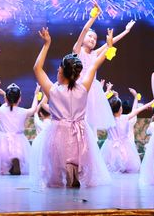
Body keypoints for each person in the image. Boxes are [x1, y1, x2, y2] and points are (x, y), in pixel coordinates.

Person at [31, 27, 112, 188]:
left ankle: (65, 172)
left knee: (57, 159)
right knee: (77, 155)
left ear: (61, 72)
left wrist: (46, 44)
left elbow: (37, 68)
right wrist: (109, 46)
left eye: (58, 69)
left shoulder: (53, 91)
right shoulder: (84, 89)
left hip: (59, 131)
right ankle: (74, 170)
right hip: (80, 131)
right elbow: (94, 66)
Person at [72, 1, 136, 130]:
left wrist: (126, 31)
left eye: (95, 39)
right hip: (79, 87)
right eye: (90, 37)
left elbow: (110, 43)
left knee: (90, 122)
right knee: (78, 118)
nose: (92, 39)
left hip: (92, 90)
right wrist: (94, 16)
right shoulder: (77, 51)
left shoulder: (94, 54)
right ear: (83, 39)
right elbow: (84, 30)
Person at [0, 83, 39, 175]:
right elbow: (33, 108)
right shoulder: (23, 111)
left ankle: (7, 168)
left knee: (1, 158)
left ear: (6, 99)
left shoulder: (1, 110)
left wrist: (5, 94)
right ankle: (15, 163)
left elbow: (7, 104)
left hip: (3, 140)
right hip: (19, 141)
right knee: (18, 154)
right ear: (20, 99)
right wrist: (36, 95)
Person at [100, 95, 153, 173]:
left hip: (111, 145)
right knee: (124, 158)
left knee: (112, 161)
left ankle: (116, 167)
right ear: (120, 109)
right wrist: (150, 103)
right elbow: (137, 110)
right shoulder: (125, 118)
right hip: (124, 144)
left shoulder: (109, 119)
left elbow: (100, 106)